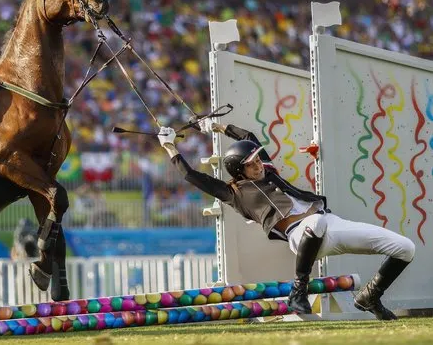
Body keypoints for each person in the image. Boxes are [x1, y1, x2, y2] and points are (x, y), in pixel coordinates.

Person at [157, 122, 415, 321]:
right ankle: (298, 291)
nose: (259, 165)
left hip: (330, 222)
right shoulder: (233, 193)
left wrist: (217, 127)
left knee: (405, 248)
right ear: (238, 171)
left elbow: (248, 137)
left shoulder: (268, 172)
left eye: (258, 160)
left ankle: (370, 296)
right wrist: (169, 146)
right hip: (299, 234)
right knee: (316, 224)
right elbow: (191, 175)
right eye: (252, 164)